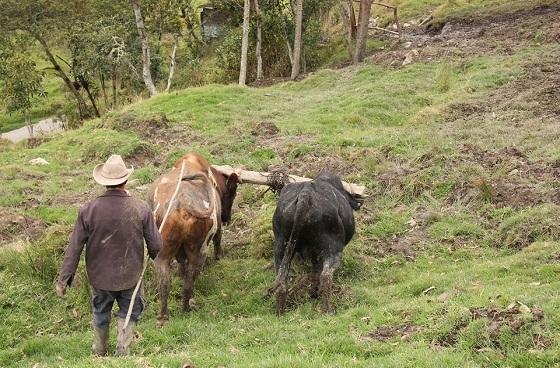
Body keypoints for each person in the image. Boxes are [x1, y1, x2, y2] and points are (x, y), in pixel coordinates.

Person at [55, 154, 162, 356]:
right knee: (130, 311)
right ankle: (123, 350)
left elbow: (74, 247)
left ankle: (100, 350)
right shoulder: (141, 208)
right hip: (131, 276)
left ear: (104, 182)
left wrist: (64, 279)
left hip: (99, 278)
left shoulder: (88, 210)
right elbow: (156, 246)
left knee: (100, 312)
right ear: (126, 180)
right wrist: (156, 253)